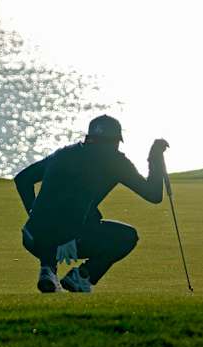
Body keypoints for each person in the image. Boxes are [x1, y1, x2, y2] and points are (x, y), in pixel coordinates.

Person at [14, 115, 169, 293]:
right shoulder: (115, 161)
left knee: (61, 226)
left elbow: (22, 179)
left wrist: (34, 214)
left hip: (32, 236)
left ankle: (48, 269)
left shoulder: (63, 153)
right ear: (114, 141)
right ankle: (81, 277)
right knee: (126, 237)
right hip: (71, 239)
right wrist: (155, 158)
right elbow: (154, 195)